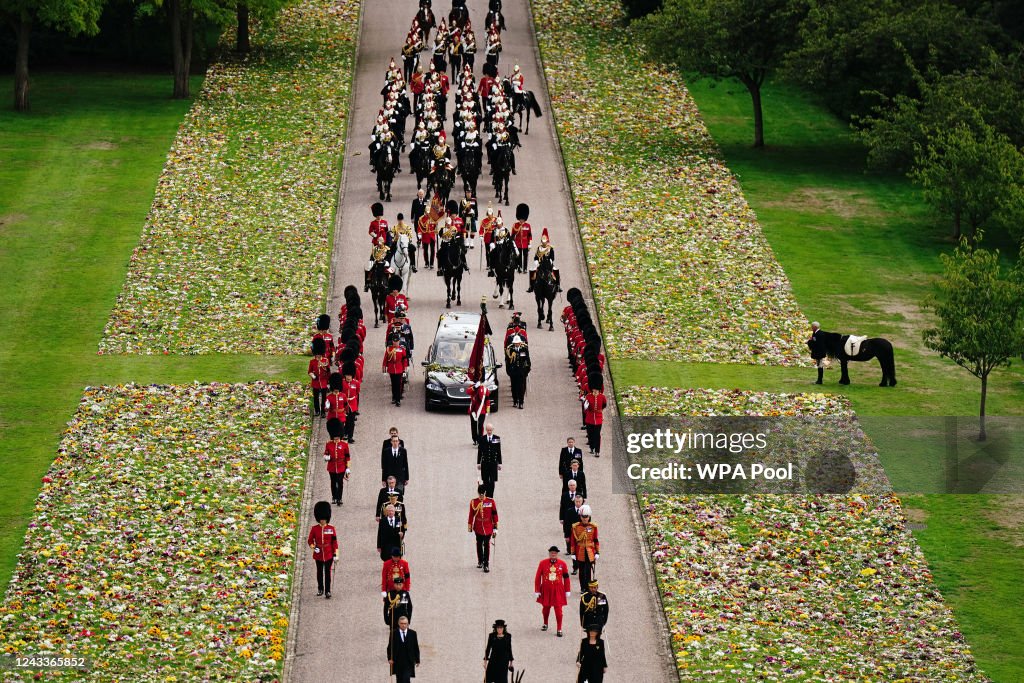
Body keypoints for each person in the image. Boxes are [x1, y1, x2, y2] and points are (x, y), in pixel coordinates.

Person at [534, 545, 571, 637]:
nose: (553, 554)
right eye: (551, 553)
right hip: (546, 589)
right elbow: (538, 577)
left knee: (558, 610)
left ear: (557, 554)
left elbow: (566, 578)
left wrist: (567, 590)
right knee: (546, 608)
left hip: (558, 590)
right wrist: (537, 590)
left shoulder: (563, 564)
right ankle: (545, 623)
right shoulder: (542, 563)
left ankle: (559, 629)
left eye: (555, 553)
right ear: (549, 553)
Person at [307, 501, 338, 598]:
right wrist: (313, 547)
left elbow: (334, 542)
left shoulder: (331, 528)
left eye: (324, 519)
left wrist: (336, 554)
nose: (322, 521)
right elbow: (310, 540)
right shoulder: (314, 529)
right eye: (321, 519)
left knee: (327, 572)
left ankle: (328, 591)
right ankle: (320, 588)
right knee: (319, 572)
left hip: (328, 553)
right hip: (319, 553)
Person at [468, 484, 499, 571]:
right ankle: (480, 561)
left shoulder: (491, 502)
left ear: (485, 493)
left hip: (488, 527)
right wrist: (470, 525)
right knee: (479, 544)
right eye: (480, 494)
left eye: (482, 494)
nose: (481, 496)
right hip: (478, 527)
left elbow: (494, 515)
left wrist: (495, 528)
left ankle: (486, 563)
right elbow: (471, 514)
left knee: (486, 545)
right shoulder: (474, 502)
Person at [570, 505, 599, 593]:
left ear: (589, 517)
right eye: (583, 517)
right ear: (580, 517)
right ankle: (583, 587)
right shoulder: (576, 527)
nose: (585, 519)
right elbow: (573, 541)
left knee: (588, 571)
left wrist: (597, 552)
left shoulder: (593, 527)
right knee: (582, 572)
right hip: (580, 551)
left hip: (589, 551)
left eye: (586, 517)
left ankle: (589, 587)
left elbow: (596, 540)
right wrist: (573, 553)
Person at [324, 419, 351, 505]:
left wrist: (348, 468)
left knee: (340, 482)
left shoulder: (344, 444)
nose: (336, 439)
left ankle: (339, 498)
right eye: (334, 438)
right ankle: (334, 497)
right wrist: (327, 457)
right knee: (333, 482)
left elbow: (347, 456)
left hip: (341, 466)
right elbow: (326, 454)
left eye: (337, 438)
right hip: (332, 466)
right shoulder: (329, 444)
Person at [388, 615, 421, 683]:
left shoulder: (413, 633)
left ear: (408, 624)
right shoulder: (393, 633)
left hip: (409, 661)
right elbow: (390, 647)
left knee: (406, 679)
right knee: (399, 679)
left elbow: (415, 647)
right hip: (397, 661)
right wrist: (389, 658)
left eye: (405, 623)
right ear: (398, 623)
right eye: (402, 623)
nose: (403, 625)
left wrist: (417, 660)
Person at [527, 228, 560, 293]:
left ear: (547, 241)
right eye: (543, 242)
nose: (544, 243)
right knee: (532, 270)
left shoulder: (550, 248)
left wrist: (549, 262)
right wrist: (536, 262)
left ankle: (557, 285)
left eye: (545, 242)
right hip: (539, 264)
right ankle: (531, 286)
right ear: (541, 241)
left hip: (548, 264)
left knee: (556, 270)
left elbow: (552, 258)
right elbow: (536, 257)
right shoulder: (539, 248)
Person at [582, 380, 608, 456]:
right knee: (590, 434)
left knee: (597, 434)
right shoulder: (588, 396)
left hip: (598, 418)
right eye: (594, 389)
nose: (595, 390)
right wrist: (586, 407)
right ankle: (592, 447)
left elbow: (604, 405)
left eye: (597, 389)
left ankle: (597, 451)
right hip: (589, 417)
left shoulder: (602, 397)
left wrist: (600, 411)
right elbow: (586, 407)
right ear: (592, 389)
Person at [504, 334, 530, 409]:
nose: (517, 344)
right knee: (514, 387)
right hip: (513, 372)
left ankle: (521, 402)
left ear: (520, 343)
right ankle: (515, 401)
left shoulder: (524, 349)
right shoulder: (510, 349)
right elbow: (508, 361)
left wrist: (527, 370)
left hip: (522, 372)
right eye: (515, 343)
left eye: (518, 343)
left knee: (521, 387)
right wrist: (509, 371)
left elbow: (527, 360)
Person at [476, 422, 502, 496]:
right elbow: (480, 451)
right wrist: (478, 463)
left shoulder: (496, 438)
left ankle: (490, 497)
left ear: (492, 430)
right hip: (485, 463)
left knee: (492, 481)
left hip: (493, 463)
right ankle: (486, 496)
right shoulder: (482, 439)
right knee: (485, 481)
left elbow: (498, 451)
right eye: (488, 430)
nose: (489, 432)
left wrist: (500, 463)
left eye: (490, 430)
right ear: (486, 430)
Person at [383, 334, 408, 406]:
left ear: (399, 341)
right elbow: (385, 359)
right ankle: (394, 397)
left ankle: (398, 400)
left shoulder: (402, 350)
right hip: (391, 369)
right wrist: (384, 369)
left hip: (399, 369)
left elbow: (404, 360)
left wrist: (404, 370)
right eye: (394, 341)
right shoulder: (389, 349)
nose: (395, 343)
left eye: (397, 341)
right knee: (393, 384)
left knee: (398, 384)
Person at [308, 337, 330, 417]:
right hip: (316, 382)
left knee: (324, 398)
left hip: (323, 382)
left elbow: (328, 372)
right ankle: (317, 410)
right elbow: (309, 371)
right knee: (316, 398)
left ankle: (323, 411)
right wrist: (314, 377)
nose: (318, 355)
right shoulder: (312, 362)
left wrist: (328, 382)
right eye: (317, 353)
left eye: (319, 353)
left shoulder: (325, 360)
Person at [561, 493, 585, 569]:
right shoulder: (569, 511)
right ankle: (575, 566)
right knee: (573, 551)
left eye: (579, 502)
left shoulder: (585, 511)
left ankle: (581, 566)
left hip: (582, 535)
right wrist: (566, 535)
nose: (578, 503)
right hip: (572, 535)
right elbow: (566, 524)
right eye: (576, 501)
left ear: (582, 502)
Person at [341, 361, 360, 443]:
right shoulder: (342, 382)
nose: (348, 377)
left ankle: (350, 436)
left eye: (349, 375)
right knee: (344, 420)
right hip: (344, 404)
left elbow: (357, 393)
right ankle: (344, 433)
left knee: (351, 421)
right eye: (347, 375)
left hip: (352, 404)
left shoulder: (356, 383)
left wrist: (352, 399)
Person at [511, 203, 532, 273]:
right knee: (519, 256)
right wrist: (513, 243)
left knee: (525, 256)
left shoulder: (528, 225)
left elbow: (529, 235)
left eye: (522, 219)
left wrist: (530, 243)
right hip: (518, 243)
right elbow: (513, 235)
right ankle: (519, 267)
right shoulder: (515, 225)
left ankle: (525, 268)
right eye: (520, 219)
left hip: (525, 243)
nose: (521, 220)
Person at [468, 380, 490, 444]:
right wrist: (475, 387)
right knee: (473, 425)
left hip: (482, 410)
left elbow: (487, 400)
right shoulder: (473, 387)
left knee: (480, 425)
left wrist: (487, 410)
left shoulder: (485, 389)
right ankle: (475, 439)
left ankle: (480, 439)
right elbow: (468, 392)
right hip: (473, 410)